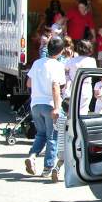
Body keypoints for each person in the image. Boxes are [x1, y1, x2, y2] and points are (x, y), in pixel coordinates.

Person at [25, 38, 66, 177]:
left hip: (35, 104)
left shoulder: (37, 63)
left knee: (41, 134)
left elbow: (29, 84)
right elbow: (56, 86)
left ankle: (32, 156)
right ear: (61, 51)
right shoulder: (58, 66)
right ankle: (47, 168)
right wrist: (56, 107)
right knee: (52, 137)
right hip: (49, 104)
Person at [65, 39, 97, 114]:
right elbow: (94, 73)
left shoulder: (71, 60)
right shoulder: (91, 60)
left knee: (72, 111)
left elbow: (65, 71)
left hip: (73, 86)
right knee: (83, 111)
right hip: (86, 86)